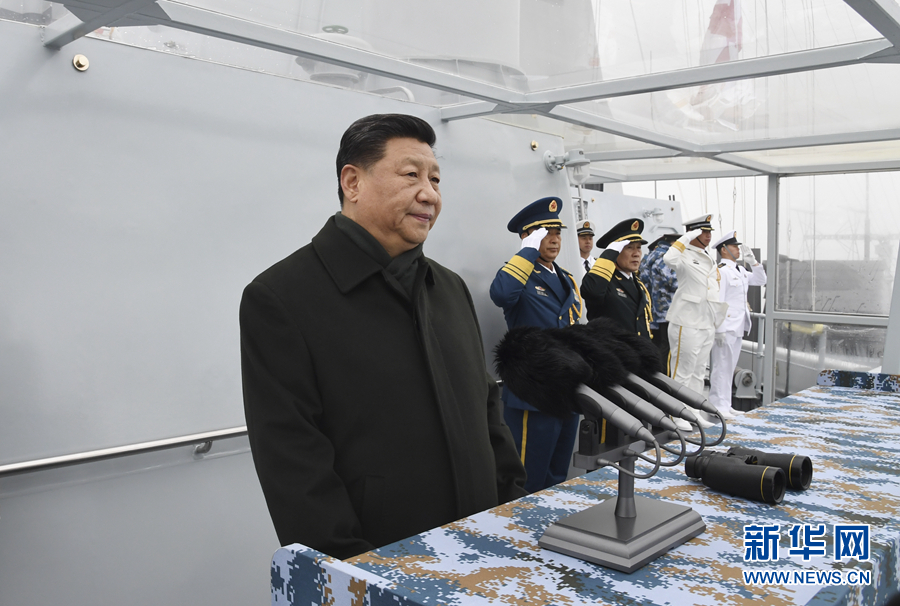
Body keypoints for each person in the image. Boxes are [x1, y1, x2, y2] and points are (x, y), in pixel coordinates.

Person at [239, 114, 527, 560]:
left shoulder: (449, 288)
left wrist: (513, 510)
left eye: (435, 179)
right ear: (352, 182)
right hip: (383, 563)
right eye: (411, 175)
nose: (429, 194)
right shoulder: (281, 297)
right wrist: (355, 571)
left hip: (485, 542)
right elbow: (291, 457)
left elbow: (486, 407)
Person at [489, 197, 583, 493]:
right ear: (528, 237)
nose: (554, 240)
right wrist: (527, 251)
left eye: (557, 233)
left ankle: (551, 516)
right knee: (527, 475)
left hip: (566, 388)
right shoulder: (518, 276)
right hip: (532, 391)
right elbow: (501, 295)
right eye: (545, 233)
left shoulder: (567, 279)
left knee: (557, 472)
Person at [663, 214, 727, 429]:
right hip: (687, 320)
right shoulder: (683, 254)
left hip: (707, 321)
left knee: (699, 372)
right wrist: (686, 237)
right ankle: (675, 413)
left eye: (709, 232)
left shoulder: (708, 257)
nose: (708, 236)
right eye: (703, 232)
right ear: (694, 233)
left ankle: (694, 412)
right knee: (682, 371)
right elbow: (668, 259)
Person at [708, 230, 767, 419]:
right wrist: (719, 328)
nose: (738, 249)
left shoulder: (740, 271)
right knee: (721, 367)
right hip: (726, 327)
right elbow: (718, 300)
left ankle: (726, 404)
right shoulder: (721, 271)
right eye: (734, 246)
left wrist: (754, 262)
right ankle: (718, 405)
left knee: (730, 366)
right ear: (724, 250)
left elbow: (761, 280)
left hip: (739, 325)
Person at [581, 218, 653, 339]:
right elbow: (591, 292)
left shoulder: (638, 283)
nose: (636, 254)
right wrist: (609, 254)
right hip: (612, 349)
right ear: (616, 251)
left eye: (638, 247)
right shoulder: (604, 282)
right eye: (629, 248)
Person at [639, 233, 680, 373]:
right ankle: (665, 380)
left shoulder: (650, 257)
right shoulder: (665, 257)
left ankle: (657, 378)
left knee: (658, 347)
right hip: (667, 311)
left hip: (655, 312)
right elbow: (674, 281)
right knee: (667, 350)